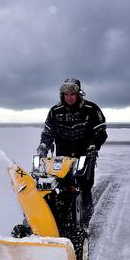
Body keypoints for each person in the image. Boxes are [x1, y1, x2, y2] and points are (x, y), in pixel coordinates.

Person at [36, 78, 107, 227]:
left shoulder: (91, 109)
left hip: (85, 157)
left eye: (72, 94)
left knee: (84, 187)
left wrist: (94, 146)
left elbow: (100, 132)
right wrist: (43, 146)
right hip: (62, 159)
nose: (69, 97)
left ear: (78, 94)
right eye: (66, 94)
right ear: (62, 95)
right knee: (59, 187)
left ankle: (85, 221)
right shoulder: (55, 112)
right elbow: (48, 133)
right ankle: (56, 220)